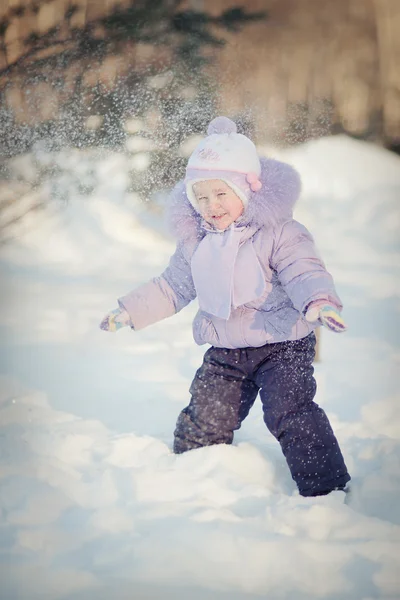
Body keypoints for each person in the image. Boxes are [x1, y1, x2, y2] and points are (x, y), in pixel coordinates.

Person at [100, 116, 350, 498]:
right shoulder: (196, 242)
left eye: (221, 194)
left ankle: (326, 487)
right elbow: (171, 287)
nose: (210, 206)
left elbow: (304, 272)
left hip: (282, 343)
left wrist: (320, 302)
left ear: (247, 190)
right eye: (200, 196)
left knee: (290, 411)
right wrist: (131, 310)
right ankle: (192, 476)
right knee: (208, 412)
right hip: (227, 349)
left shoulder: (280, 232)